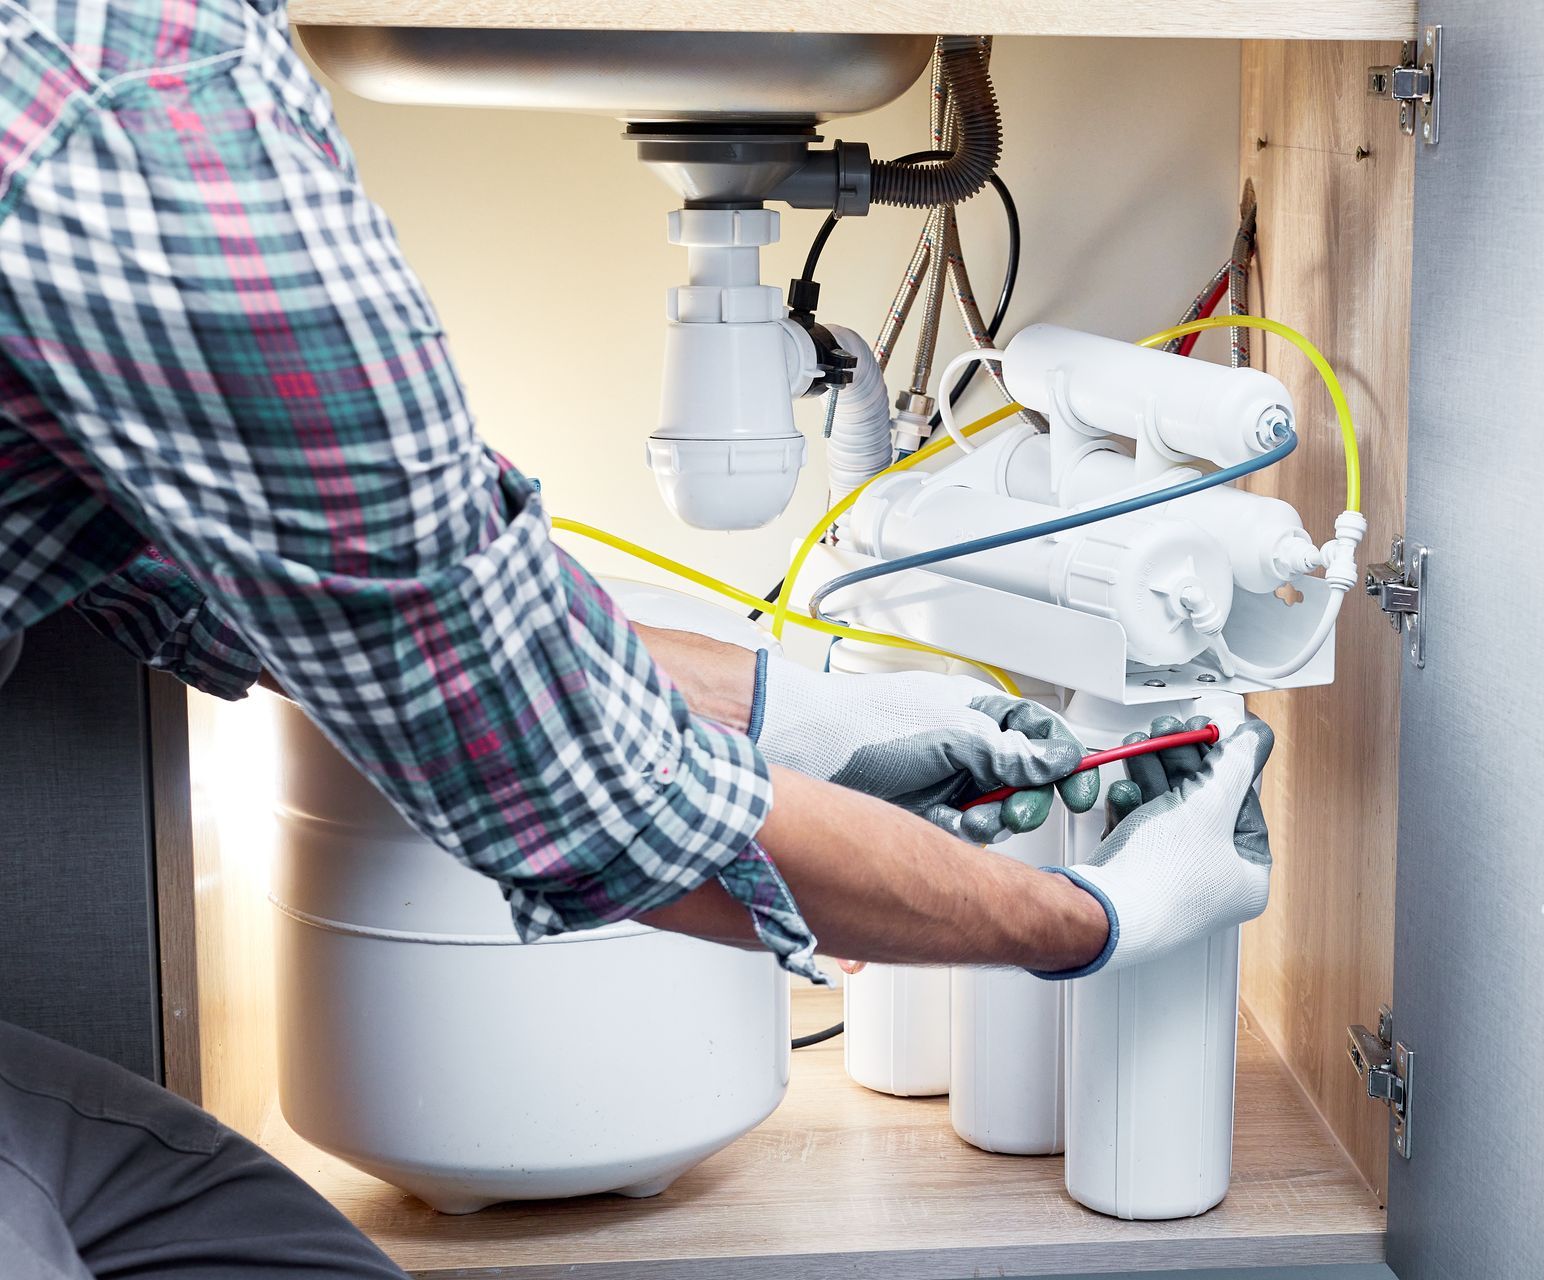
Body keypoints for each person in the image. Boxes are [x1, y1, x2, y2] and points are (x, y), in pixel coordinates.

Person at [0, 1, 1277, 1275]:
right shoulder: (147, 110)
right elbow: (556, 776)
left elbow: (362, 590)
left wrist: (813, 715)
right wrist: (1092, 916)